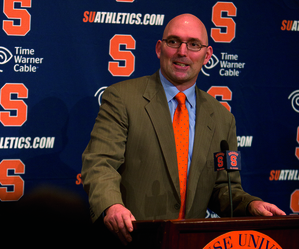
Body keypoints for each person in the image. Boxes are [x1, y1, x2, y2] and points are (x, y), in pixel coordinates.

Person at [81, 13, 286, 245]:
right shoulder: (122, 98)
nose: (182, 52)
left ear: (207, 55)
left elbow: (224, 188)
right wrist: (112, 205)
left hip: (191, 242)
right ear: (160, 48)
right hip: (131, 239)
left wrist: (250, 205)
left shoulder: (222, 118)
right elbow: (100, 163)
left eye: (194, 45)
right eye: (173, 41)